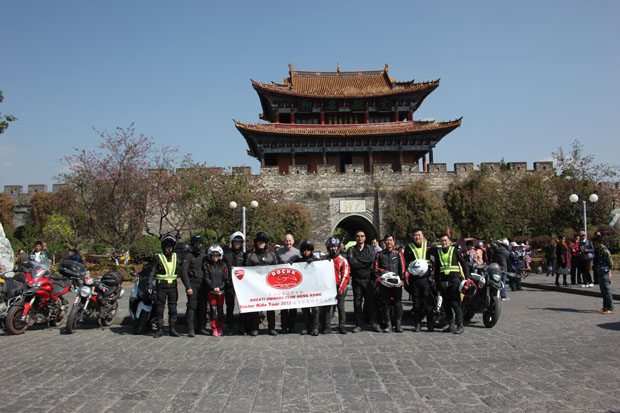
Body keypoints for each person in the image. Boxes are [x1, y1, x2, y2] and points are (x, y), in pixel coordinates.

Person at [147, 234, 192, 338]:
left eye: (170, 246)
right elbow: (152, 272)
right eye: (167, 246)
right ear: (163, 247)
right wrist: (149, 285)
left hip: (172, 287)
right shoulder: (158, 257)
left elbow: (182, 272)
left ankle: (172, 328)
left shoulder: (177, 257)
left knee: (173, 308)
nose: (169, 248)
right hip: (161, 287)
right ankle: (160, 329)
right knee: (160, 308)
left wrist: (188, 286)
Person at [433, 233, 470, 334]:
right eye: (442, 241)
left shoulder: (454, 250)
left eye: (445, 240)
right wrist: (436, 282)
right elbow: (437, 268)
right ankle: (451, 325)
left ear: (449, 241)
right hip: (443, 281)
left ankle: (460, 325)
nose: (444, 242)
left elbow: (464, 263)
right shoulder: (438, 252)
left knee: (455, 303)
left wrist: (467, 278)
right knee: (446, 305)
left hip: (454, 280)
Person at [244, 231, 278, 336]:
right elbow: (246, 270)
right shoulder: (250, 256)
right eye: (259, 242)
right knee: (255, 307)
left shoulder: (272, 255)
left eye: (263, 242)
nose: (261, 244)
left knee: (271, 307)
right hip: (255, 287)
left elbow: (277, 269)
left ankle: (271, 327)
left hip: (269, 286)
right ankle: (255, 328)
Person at [347, 230, 380, 333]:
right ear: (355, 238)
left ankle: (374, 323)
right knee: (357, 303)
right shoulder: (351, 249)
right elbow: (352, 263)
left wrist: (359, 262)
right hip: (357, 280)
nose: (360, 238)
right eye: (358, 236)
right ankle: (358, 324)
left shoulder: (370, 248)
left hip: (368, 279)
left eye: (362, 236)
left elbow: (371, 260)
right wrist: (364, 262)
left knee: (371, 302)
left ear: (365, 237)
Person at [404, 229, 435, 332]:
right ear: (412, 237)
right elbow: (406, 263)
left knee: (428, 303)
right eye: (415, 235)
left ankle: (430, 324)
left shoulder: (430, 246)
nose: (417, 237)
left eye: (419, 235)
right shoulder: (409, 247)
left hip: (427, 279)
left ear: (423, 236)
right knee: (416, 303)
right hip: (415, 280)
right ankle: (417, 323)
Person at [374, 234, 406, 333]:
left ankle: (398, 324)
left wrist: (402, 279)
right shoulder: (380, 254)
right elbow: (375, 268)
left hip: (396, 284)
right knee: (386, 304)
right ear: (384, 242)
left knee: (398, 304)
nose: (389, 242)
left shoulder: (398, 253)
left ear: (393, 241)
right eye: (387, 240)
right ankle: (388, 324)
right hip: (384, 284)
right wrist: (385, 273)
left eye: (390, 240)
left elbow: (402, 267)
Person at [321, 236, 350, 334]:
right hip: (328, 287)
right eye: (331, 247)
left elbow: (345, 275)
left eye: (335, 247)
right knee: (327, 307)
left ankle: (342, 326)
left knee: (340, 307)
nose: (333, 249)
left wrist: (341, 289)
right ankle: (327, 326)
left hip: (339, 286)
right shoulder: (324, 259)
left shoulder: (342, 260)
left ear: (338, 247)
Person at [181, 235, 207, 337]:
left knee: (203, 307)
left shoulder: (204, 256)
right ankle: (191, 329)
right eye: (196, 244)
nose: (198, 246)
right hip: (192, 285)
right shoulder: (188, 256)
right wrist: (188, 287)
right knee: (192, 307)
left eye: (200, 244)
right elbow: (183, 272)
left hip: (203, 285)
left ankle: (201, 327)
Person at [277, 233, 302, 333]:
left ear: (293, 241)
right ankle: (283, 327)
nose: (288, 242)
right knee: (283, 307)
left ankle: (291, 326)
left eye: (290, 241)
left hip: (293, 283)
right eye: (286, 241)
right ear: (284, 241)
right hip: (282, 283)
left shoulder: (298, 252)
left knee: (293, 307)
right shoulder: (279, 252)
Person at [295, 239, 320, 336]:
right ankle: (307, 326)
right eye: (304, 250)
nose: (306, 251)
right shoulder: (299, 261)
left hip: (314, 289)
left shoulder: (317, 261)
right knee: (305, 309)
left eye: (308, 249)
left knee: (315, 309)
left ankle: (315, 327)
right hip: (304, 289)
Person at [204, 245, 229, 336]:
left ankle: (220, 327)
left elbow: (225, 278)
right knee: (213, 310)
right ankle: (213, 328)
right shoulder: (207, 265)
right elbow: (206, 278)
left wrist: (220, 287)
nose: (215, 258)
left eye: (216, 256)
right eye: (213, 256)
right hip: (211, 291)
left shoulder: (223, 266)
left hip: (220, 292)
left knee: (220, 310)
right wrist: (213, 287)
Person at [223, 231, 245, 334]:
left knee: (242, 306)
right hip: (229, 284)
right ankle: (230, 327)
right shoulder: (226, 255)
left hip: (241, 285)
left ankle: (242, 327)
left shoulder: (244, 255)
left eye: (239, 242)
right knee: (230, 306)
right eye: (235, 242)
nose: (237, 244)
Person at [593, 237, 614, 314]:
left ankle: (610, 308)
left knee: (606, 290)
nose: (596, 245)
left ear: (601, 243)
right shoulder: (600, 250)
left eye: (597, 243)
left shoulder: (605, 251)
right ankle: (605, 307)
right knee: (603, 290)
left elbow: (610, 262)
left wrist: (609, 271)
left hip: (605, 272)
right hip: (601, 271)